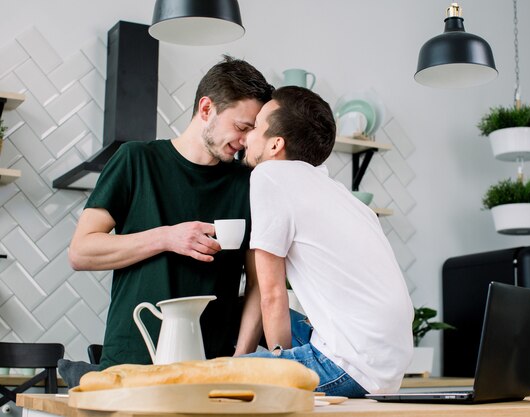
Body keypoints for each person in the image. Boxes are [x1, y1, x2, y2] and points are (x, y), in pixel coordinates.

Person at [59, 56, 274, 387]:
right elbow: (81, 252)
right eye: (241, 127)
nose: (245, 141)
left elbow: (260, 286)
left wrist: (240, 359)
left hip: (210, 373)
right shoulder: (136, 160)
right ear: (206, 109)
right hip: (131, 367)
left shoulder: (247, 184)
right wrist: (166, 237)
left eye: (252, 131)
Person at [238, 86, 414, 397]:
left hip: (349, 368)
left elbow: (273, 295)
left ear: (276, 145)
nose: (246, 136)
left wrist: (282, 367)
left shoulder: (269, 176)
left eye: (254, 127)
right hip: (384, 369)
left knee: (218, 377)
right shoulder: (344, 197)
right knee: (240, 312)